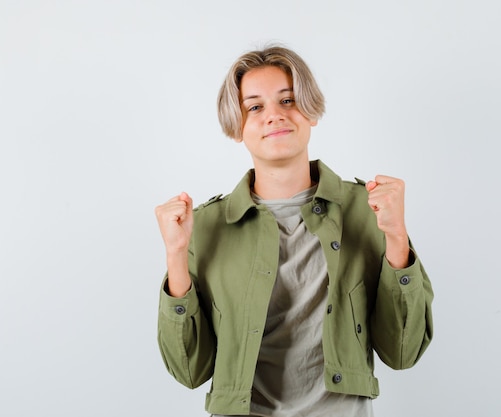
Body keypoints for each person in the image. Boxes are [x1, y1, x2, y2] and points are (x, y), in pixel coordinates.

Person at [154, 45, 434, 417]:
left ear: (311, 111)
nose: (274, 116)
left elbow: (403, 352)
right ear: (237, 126)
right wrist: (175, 255)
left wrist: (397, 235)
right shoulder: (204, 227)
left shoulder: (370, 211)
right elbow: (190, 371)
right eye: (255, 107)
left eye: (288, 100)